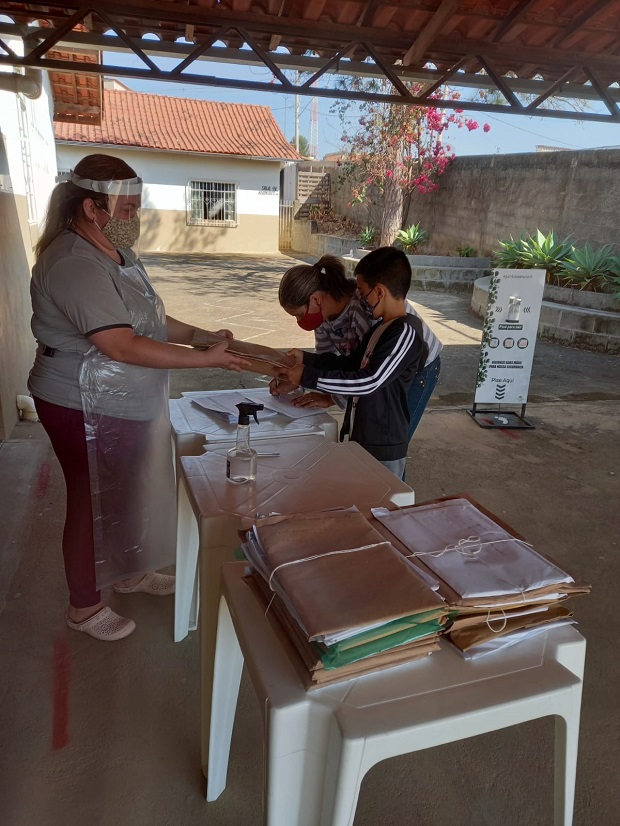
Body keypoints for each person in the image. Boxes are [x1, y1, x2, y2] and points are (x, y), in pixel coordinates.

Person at [28, 153, 251, 642]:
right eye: (127, 210)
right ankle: (84, 606)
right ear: (91, 207)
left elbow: (147, 321)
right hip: (76, 400)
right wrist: (207, 361)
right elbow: (120, 343)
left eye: (136, 209)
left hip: (122, 396)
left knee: (126, 488)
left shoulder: (116, 252)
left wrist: (198, 335)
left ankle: (127, 572)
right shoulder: (71, 261)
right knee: (90, 497)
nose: (136, 220)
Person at [276, 249, 426, 479]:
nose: (361, 298)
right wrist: (306, 360)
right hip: (365, 432)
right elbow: (347, 364)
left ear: (379, 292)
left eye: (364, 293)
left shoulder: (401, 330)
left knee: (387, 497)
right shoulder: (379, 329)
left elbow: (369, 380)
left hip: (385, 439)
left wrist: (308, 376)